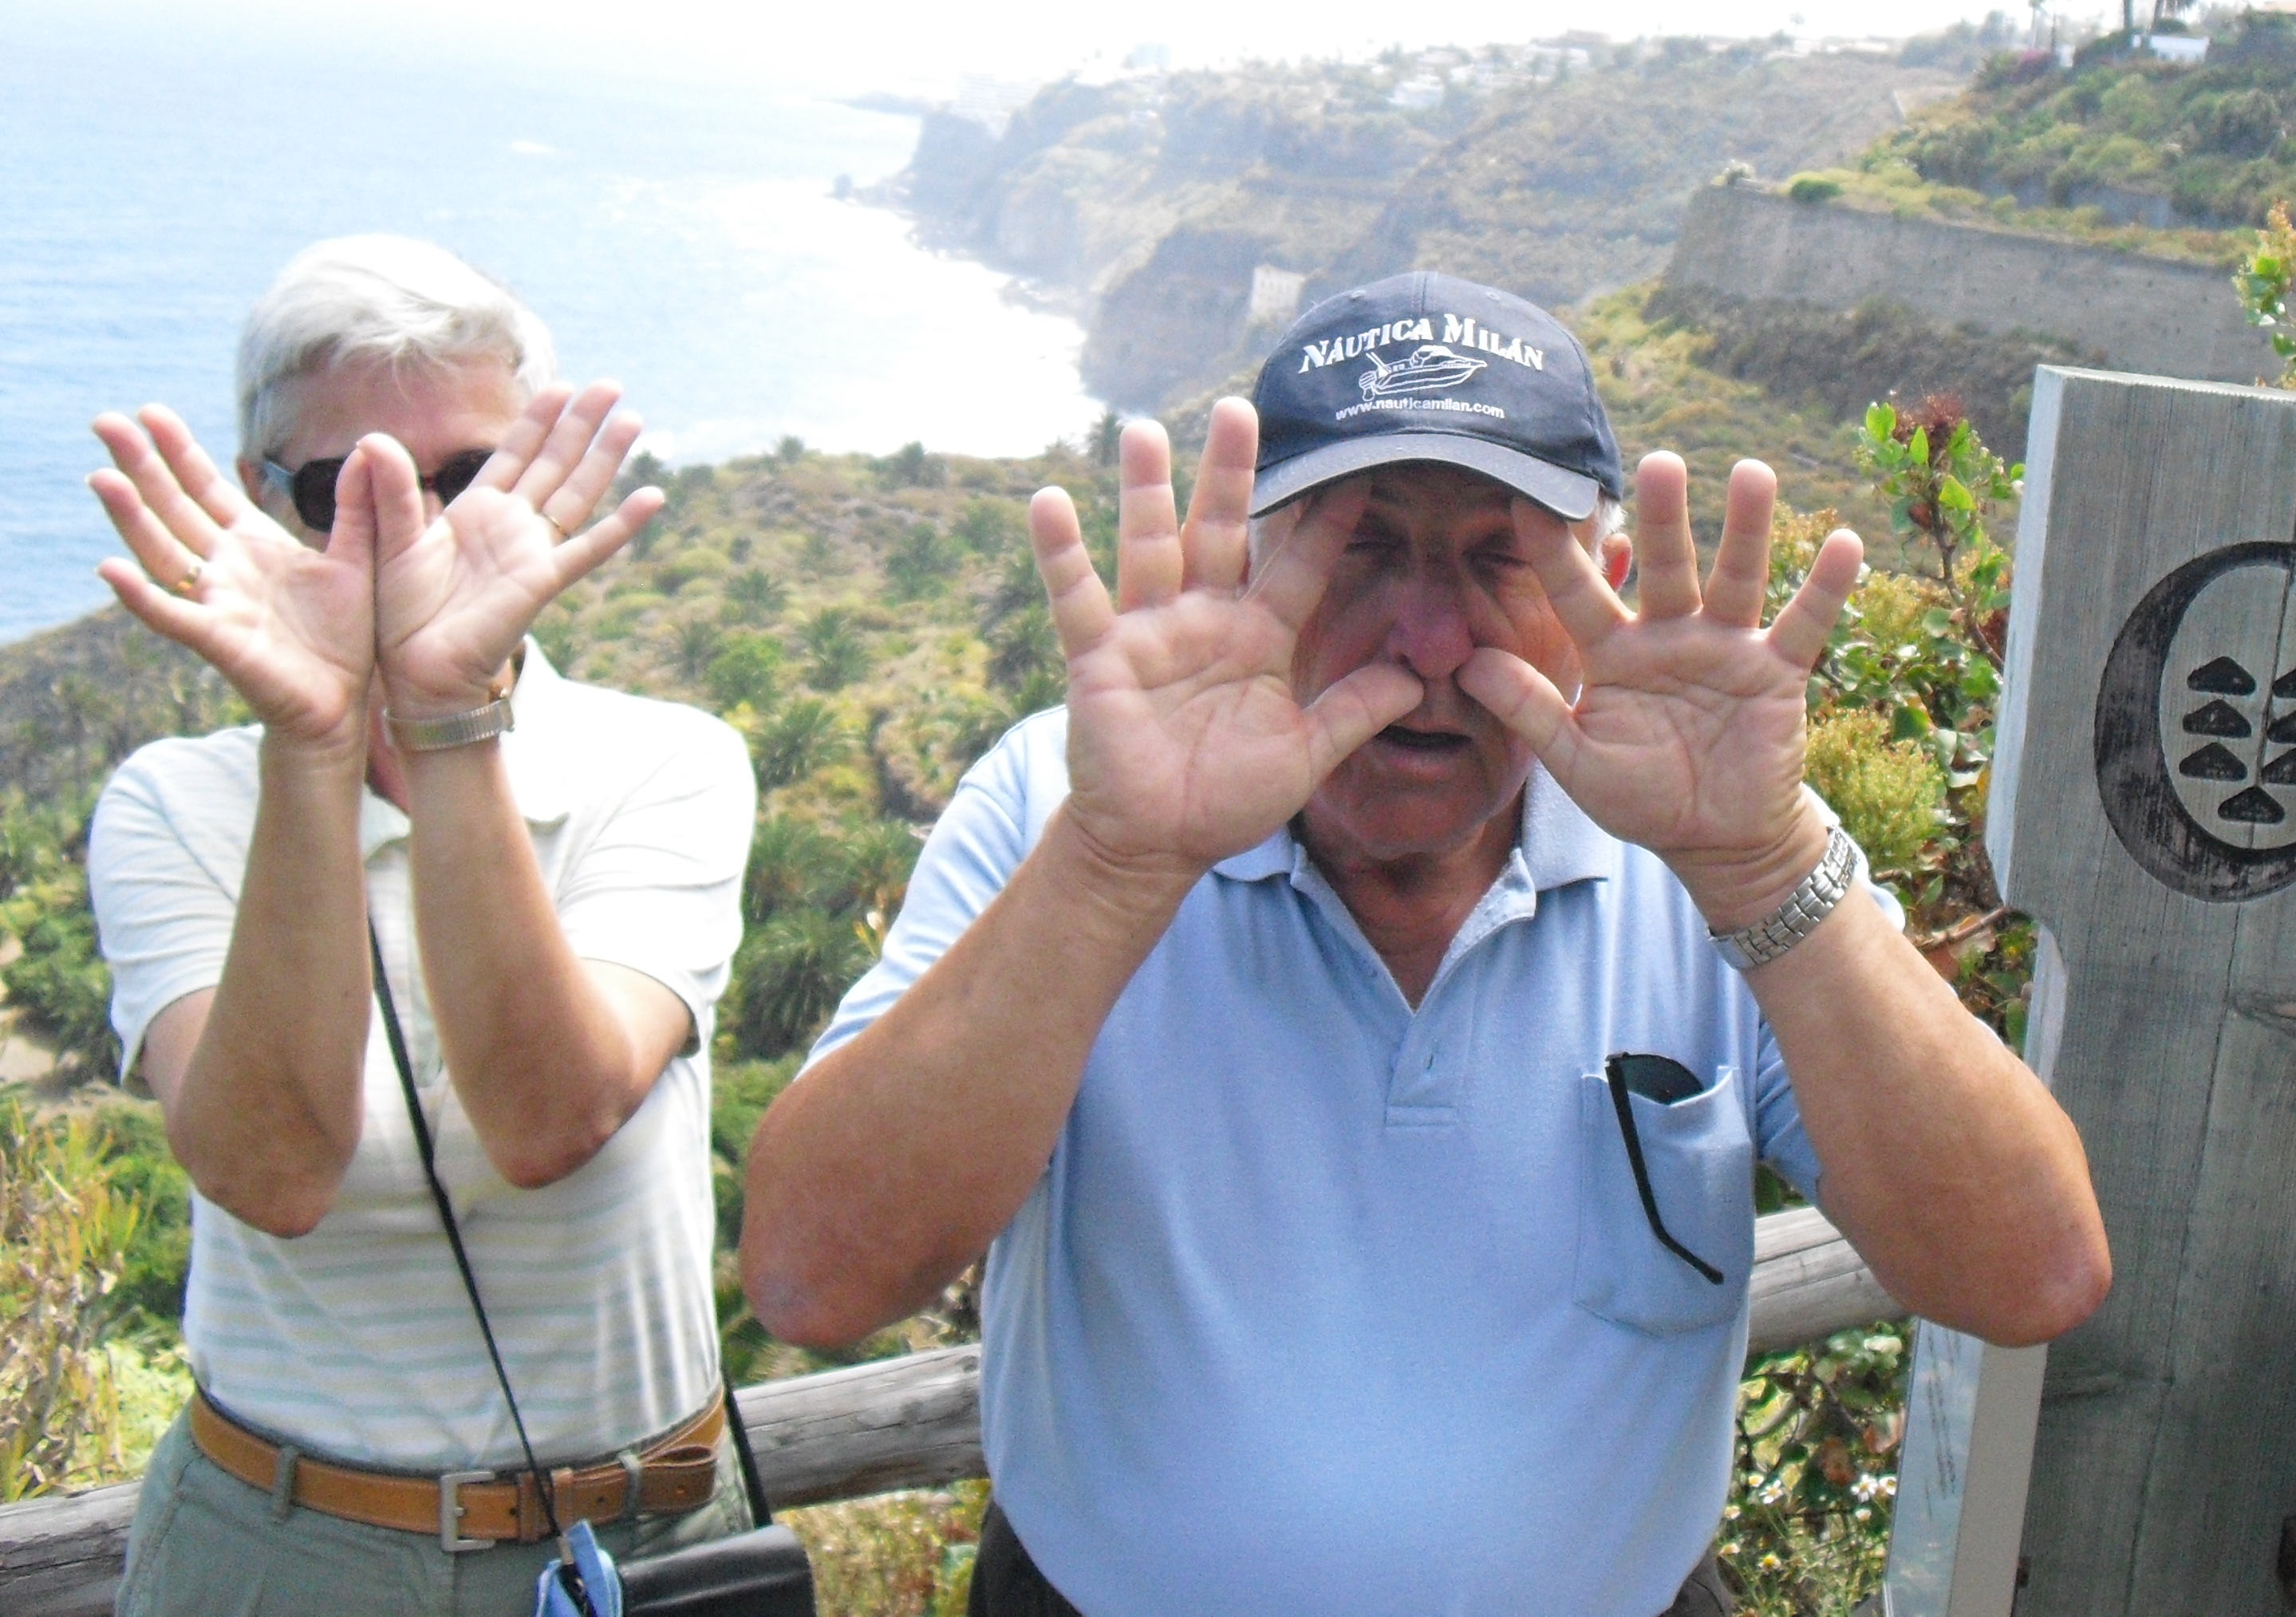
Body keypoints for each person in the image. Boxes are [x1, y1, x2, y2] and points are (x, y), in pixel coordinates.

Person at [742, 272, 2109, 1617]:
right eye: (1363, 548)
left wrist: (1764, 872)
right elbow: (815, 1277)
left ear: (1605, 591)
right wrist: (1116, 867)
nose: (1432, 637)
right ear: (1250, 560)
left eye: (1499, 556)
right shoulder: (1067, 803)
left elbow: (2030, 1271)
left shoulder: (1715, 835)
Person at [84, 235, 759, 1613]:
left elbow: (547, 1117)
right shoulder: (173, 806)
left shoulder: (669, 765)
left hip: (654, 1537)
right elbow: (270, 1174)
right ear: (270, 503)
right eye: (349, 490)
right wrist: (315, 744)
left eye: (473, 478)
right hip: (292, 1547)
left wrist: (451, 721)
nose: (419, 526)